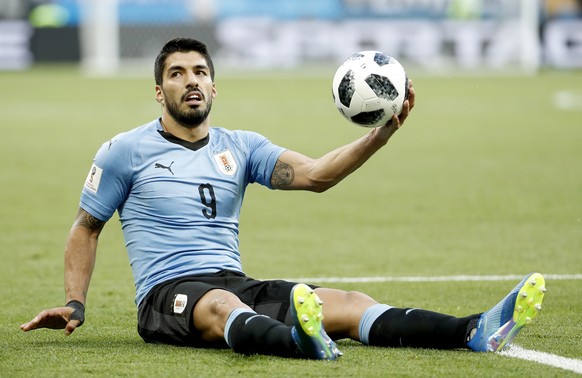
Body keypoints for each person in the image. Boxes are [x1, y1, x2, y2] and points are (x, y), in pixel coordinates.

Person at [20, 38, 546, 360]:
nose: (190, 82)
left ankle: (473, 331)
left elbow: (316, 175)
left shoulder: (241, 147)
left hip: (233, 279)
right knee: (221, 307)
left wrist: (378, 136)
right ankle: (300, 344)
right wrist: (74, 304)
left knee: (346, 303)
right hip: (166, 296)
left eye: (200, 72)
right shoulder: (122, 151)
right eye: (176, 74)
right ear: (160, 91)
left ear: (214, 86)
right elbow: (86, 227)